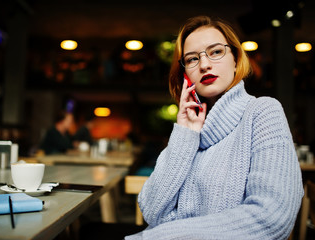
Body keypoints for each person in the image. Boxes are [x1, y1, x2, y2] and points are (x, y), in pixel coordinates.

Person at [125, 16, 303, 239]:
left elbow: (271, 218)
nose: (205, 64)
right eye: (191, 59)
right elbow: (151, 210)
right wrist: (185, 134)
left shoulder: (262, 111)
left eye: (216, 52)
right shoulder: (188, 131)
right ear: (185, 75)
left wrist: (158, 236)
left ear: (236, 59)